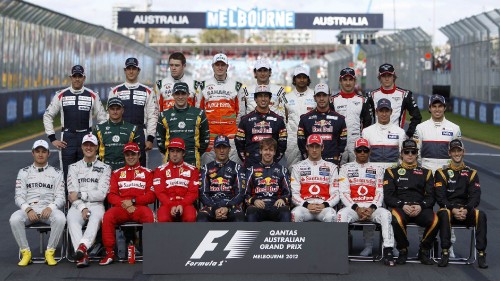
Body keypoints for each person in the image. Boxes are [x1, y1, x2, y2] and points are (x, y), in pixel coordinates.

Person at [337, 138, 395, 266]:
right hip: (353, 207)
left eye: (365, 150)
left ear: (370, 152)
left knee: (386, 215)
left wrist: (372, 208)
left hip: (372, 207)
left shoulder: (378, 169)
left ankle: (388, 250)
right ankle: (340, 251)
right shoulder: (345, 168)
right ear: (355, 152)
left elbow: (380, 192)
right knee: (341, 215)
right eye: (359, 150)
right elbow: (344, 193)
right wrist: (357, 208)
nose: (362, 152)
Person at [43, 65, 107, 179]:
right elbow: (48, 115)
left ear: (84, 78)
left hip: (86, 137)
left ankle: (85, 196)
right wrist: (52, 138)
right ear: (71, 77)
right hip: (67, 138)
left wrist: (98, 138)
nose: (77, 79)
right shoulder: (61, 95)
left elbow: (102, 117)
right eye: (75, 76)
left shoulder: (93, 95)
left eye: (80, 76)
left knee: (87, 173)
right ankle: (68, 197)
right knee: (68, 174)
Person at [10, 140, 66, 266]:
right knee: (14, 219)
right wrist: (28, 209)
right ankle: (26, 253)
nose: (40, 154)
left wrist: (51, 207)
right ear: (33, 153)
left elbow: (61, 197)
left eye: (43, 151)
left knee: (61, 218)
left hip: (49, 210)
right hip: (30, 210)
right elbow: (18, 196)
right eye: (37, 151)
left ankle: (50, 252)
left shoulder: (57, 173)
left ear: (48, 154)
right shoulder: (23, 172)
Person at [99, 142, 155, 266]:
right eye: (127, 154)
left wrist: (133, 202)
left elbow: (151, 196)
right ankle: (109, 253)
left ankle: (151, 251)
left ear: (139, 155)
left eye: (133, 154)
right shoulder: (117, 173)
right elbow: (111, 195)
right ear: (124, 156)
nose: (130, 157)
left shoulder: (148, 172)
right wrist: (124, 204)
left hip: (139, 207)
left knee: (150, 216)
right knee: (107, 216)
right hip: (122, 208)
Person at [434, 139, 488, 268]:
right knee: (445, 213)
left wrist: (466, 209)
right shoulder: (441, 173)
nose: (457, 154)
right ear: (449, 153)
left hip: (466, 211)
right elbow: (440, 197)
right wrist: (453, 209)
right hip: (448, 210)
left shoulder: (472, 173)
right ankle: (445, 252)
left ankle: (481, 254)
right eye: (454, 151)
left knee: (481, 215)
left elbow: (475, 196)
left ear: (464, 152)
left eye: (459, 151)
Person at [383, 139, 438, 265]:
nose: (410, 154)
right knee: (396, 219)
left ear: (417, 154)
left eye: (413, 152)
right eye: (406, 151)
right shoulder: (391, 172)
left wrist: (421, 206)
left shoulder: (427, 172)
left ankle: (424, 250)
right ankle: (403, 250)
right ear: (401, 154)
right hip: (401, 207)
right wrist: (402, 205)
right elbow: (388, 197)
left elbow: (431, 197)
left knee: (435, 220)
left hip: (421, 208)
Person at [66, 134, 111, 268]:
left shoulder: (105, 168)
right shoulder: (73, 167)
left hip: (96, 205)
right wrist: (82, 208)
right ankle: (83, 254)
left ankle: (82, 248)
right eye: (86, 145)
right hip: (77, 206)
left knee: (95, 218)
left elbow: (101, 194)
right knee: (71, 219)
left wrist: (81, 194)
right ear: (82, 147)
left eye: (92, 145)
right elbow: (71, 194)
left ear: (97, 147)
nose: (89, 147)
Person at [108, 57, 158, 167]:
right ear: (125, 70)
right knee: (118, 167)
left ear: (138, 70)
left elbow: (153, 116)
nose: (131, 71)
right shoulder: (115, 91)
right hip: (119, 133)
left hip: (140, 133)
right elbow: (109, 116)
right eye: (128, 68)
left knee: (141, 168)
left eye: (134, 68)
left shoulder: (148, 91)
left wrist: (150, 138)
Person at [198, 53, 243, 165]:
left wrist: (234, 129)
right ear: (212, 66)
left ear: (227, 66)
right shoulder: (203, 85)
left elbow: (241, 112)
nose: (220, 67)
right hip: (210, 135)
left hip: (231, 135)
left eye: (222, 64)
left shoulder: (237, 86)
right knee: (208, 170)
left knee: (233, 169)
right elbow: (198, 111)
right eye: (217, 64)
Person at [156, 82, 210, 169]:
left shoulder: (199, 113)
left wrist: (194, 152)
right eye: (177, 93)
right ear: (173, 95)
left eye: (183, 93)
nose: (180, 97)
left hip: (192, 160)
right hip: (171, 161)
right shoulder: (164, 115)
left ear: (188, 95)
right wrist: (172, 153)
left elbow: (205, 139)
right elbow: (160, 142)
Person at [236, 85, 287, 168]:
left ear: (270, 98)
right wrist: (246, 159)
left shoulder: (278, 120)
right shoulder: (245, 120)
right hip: (251, 164)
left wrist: (274, 160)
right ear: (255, 99)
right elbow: (239, 143)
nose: (263, 99)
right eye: (260, 96)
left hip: (271, 165)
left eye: (266, 96)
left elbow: (282, 144)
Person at [291, 134, 339, 222]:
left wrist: (324, 205)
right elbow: (294, 194)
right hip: (305, 206)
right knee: (295, 214)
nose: (314, 150)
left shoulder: (332, 167)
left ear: (322, 147)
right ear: (306, 147)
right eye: (311, 146)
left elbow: (335, 193)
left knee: (331, 216)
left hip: (324, 207)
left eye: (317, 146)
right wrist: (306, 205)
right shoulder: (297, 167)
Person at [198, 135, 246, 222]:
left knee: (240, 217)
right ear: (214, 149)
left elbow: (240, 193)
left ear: (229, 149)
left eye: (224, 147)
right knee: (202, 217)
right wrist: (215, 208)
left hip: (231, 206)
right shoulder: (205, 169)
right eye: (218, 147)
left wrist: (227, 207)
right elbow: (203, 193)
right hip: (211, 206)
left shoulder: (237, 168)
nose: (222, 151)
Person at [366, 63, 422, 138]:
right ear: (380, 77)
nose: (387, 79)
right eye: (384, 76)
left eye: (389, 75)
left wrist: (408, 134)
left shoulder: (405, 95)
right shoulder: (371, 95)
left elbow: (417, 117)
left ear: (393, 76)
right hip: (376, 139)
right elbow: (365, 118)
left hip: (396, 140)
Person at [298, 83, 347, 165]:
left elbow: (342, 142)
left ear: (330, 97)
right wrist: (306, 156)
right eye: (318, 95)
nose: (321, 98)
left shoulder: (340, 119)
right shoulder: (305, 119)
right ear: (314, 98)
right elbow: (301, 141)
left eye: (324, 95)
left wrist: (337, 156)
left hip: (332, 161)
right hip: (311, 161)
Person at [329, 68, 372, 164]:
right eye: (345, 80)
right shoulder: (333, 100)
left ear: (355, 81)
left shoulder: (363, 100)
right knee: (338, 173)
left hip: (357, 143)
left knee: (357, 172)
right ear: (340, 81)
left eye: (350, 79)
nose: (348, 83)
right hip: (338, 143)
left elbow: (367, 123)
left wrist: (362, 140)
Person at [245, 138, 291, 222]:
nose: (268, 153)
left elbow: (288, 193)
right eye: (265, 149)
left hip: (276, 205)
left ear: (274, 152)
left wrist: (283, 199)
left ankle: (284, 235)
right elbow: (245, 194)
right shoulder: (251, 170)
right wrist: (254, 200)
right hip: (258, 206)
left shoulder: (283, 170)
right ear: (260, 151)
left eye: (271, 150)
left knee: (285, 212)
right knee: (251, 212)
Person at [153, 138, 199, 222]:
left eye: (178, 151)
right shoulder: (159, 170)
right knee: (163, 218)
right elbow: (160, 192)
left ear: (183, 153)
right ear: (169, 153)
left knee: (190, 217)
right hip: (167, 204)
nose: (174, 154)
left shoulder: (193, 170)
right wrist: (171, 205)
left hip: (186, 204)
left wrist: (182, 204)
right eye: (172, 151)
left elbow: (193, 192)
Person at [413, 94, 462, 172]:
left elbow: (458, 153)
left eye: (440, 106)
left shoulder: (455, 128)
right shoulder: (420, 127)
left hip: (447, 172)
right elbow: (416, 151)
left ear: (444, 108)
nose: (437, 109)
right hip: (427, 171)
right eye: (434, 106)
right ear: (430, 108)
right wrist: (423, 166)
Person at [282, 66, 316, 168]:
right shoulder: (286, 97)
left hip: (311, 137)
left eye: (304, 77)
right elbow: (284, 118)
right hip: (292, 138)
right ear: (294, 79)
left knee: (312, 168)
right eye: (299, 77)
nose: (301, 80)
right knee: (293, 169)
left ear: (308, 79)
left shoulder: (315, 95)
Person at [93, 97, 140, 171]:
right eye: (112, 109)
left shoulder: (132, 128)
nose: (115, 111)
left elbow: (138, 154)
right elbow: (93, 152)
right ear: (108, 110)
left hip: (126, 170)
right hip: (104, 170)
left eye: (118, 108)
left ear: (122, 110)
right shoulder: (98, 128)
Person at [362, 98, 406, 169]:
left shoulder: (400, 132)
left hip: (393, 171)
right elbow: (363, 155)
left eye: (387, 111)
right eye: (381, 111)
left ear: (391, 112)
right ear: (376, 112)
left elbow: (403, 155)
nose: (384, 114)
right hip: (373, 171)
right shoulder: (366, 131)